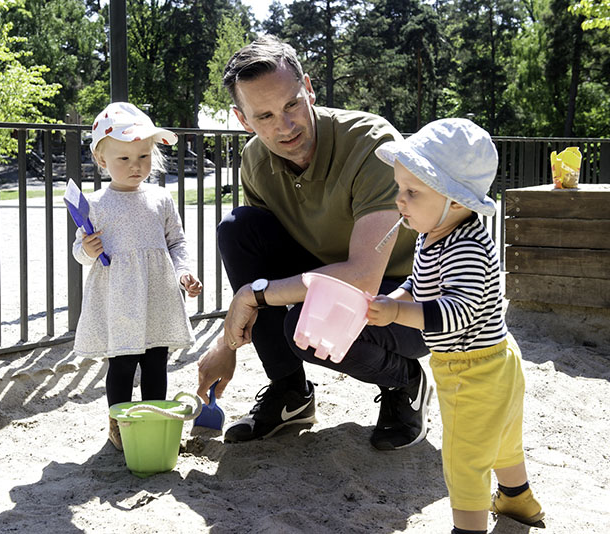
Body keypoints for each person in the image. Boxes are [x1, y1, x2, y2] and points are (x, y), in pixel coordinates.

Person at [196, 35, 431, 450]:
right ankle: (291, 393)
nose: (285, 127)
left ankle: (405, 381)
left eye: (291, 104)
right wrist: (228, 344)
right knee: (238, 228)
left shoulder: (373, 143)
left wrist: (252, 295)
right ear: (243, 119)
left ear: (308, 88)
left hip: (411, 298)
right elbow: (261, 258)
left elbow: (363, 277)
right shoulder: (254, 160)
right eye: (264, 116)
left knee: (304, 323)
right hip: (327, 277)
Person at [368, 118, 545, 533]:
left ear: (457, 201)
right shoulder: (434, 233)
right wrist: (397, 298)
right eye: (399, 188)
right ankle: (517, 499)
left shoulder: (465, 245)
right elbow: (422, 284)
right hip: (496, 361)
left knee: (464, 459)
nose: (400, 200)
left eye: (413, 191)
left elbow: (456, 312)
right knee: (501, 439)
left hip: (473, 370)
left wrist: (397, 315)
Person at [73, 102, 203, 450]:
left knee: (156, 361)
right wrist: (88, 249)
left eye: (143, 156)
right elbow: (79, 253)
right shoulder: (95, 204)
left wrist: (184, 272)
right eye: (124, 158)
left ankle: (155, 422)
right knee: (122, 363)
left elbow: (176, 241)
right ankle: (119, 423)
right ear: (101, 160)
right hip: (119, 299)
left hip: (157, 295)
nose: (136, 166)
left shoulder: (161, 198)